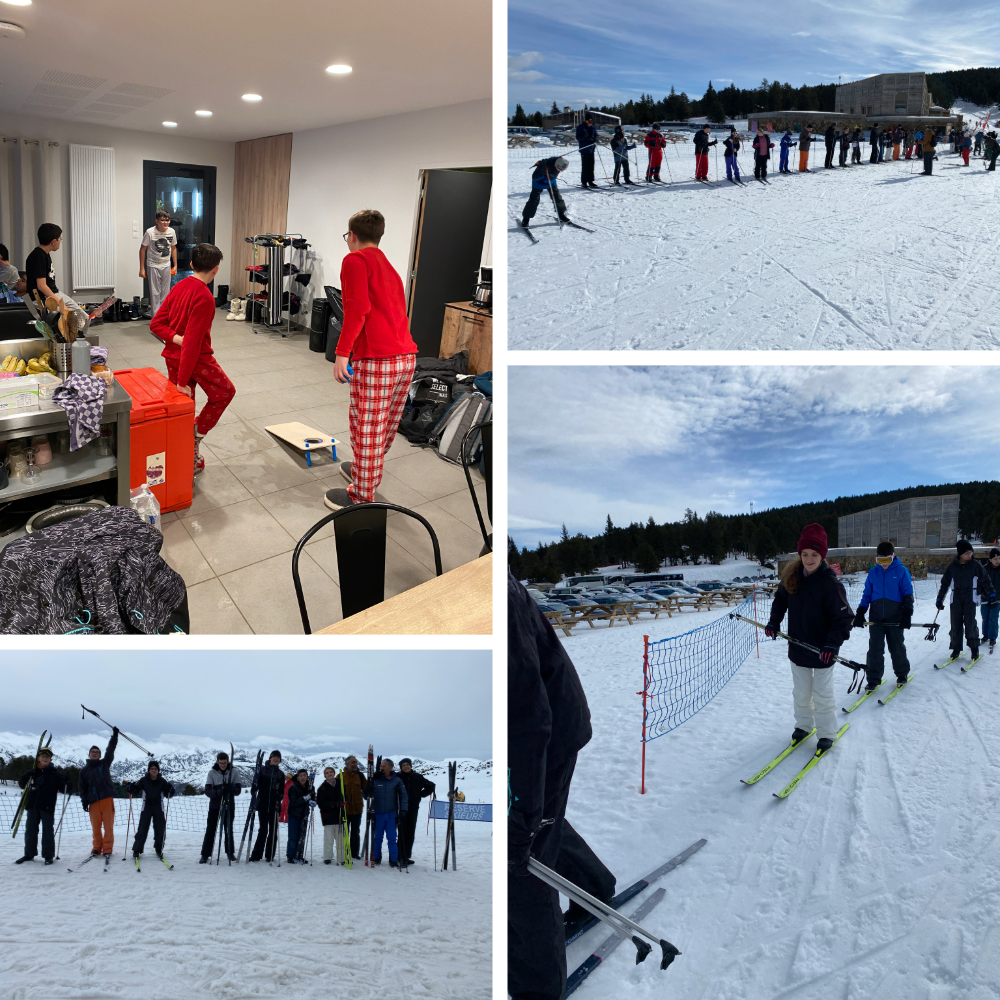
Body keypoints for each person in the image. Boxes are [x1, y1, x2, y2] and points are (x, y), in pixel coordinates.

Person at [509, 573, 616, 1000]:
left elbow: (528, 723)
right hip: (534, 727)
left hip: (545, 733)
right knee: (543, 825)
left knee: (523, 866)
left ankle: (539, 989)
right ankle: (594, 887)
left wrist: (523, 816)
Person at [324, 209, 421, 511]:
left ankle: (361, 496)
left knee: (366, 428)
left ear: (352, 236)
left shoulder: (354, 260)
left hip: (377, 359)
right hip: (405, 357)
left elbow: (357, 309)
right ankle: (367, 473)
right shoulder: (387, 265)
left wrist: (342, 353)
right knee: (384, 425)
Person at [764, 524, 854, 754]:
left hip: (823, 651)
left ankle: (826, 733)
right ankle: (804, 726)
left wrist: (832, 643)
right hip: (798, 648)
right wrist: (774, 622)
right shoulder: (792, 576)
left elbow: (843, 619)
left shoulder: (830, 583)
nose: (809, 558)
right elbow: (779, 601)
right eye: (805, 554)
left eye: (814, 554)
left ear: (822, 555)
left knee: (822, 695)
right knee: (801, 693)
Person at [150, 243, 234, 479]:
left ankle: (186, 452)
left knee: (185, 409)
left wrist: (174, 338)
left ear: (191, 265)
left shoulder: (179, 286)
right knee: (225, 392)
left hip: (175, 359)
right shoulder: (205, 298)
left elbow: (156, 325)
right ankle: (196, 436)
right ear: (216, 270)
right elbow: (192, 344)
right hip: (195, 360)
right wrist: (183, 380)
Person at [853, 542, 914, 691]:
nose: (884, 564)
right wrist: (861, 612)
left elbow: (907, 593)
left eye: (887, 560)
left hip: (895, 616)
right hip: (876, 616)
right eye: (881, 561)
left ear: (893, 556)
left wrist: (907, 613)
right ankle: (873, 679)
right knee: (875, 648)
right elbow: (867, 594)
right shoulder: (873, 573)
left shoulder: (901, 571)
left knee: (896, 646)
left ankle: (901, 674)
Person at [24, 223, 90, 334]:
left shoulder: (44, 254)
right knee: (76, 321)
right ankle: (72, 346)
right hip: (43, 298)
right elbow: (41, 285)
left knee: (84, 318)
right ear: (53, 241)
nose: (60, 241)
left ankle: (77, 344)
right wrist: (59, 303)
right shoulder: (38, 256)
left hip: (54, 293)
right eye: (60, 239)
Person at [936, 540, 996, 660]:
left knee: (970, 624)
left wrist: (992, 594)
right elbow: (944, 584)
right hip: (956, 598)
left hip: (970, 597)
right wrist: (939, 599)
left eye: (971, 552)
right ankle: (956, 648)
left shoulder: (975, 565)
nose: (970, 555)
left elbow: (986, 580)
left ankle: (974, 649)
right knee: (956, 625)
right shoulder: (952, 567)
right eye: (967, 553)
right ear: (960, 554)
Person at [16, 747, 67, 865]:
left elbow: (64, 788)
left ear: (50, 759)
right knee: (30, 830)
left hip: (47, 807)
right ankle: (29, 854)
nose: (45, 758)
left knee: (48, 831)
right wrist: (27, 774)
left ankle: (48, 856)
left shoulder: (55, 774)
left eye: (47, 757)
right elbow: (22, 785)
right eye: (43, 756)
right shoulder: (33, 772)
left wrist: (67, 782)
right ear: (38, 758)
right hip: (32, 806)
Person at [79, 728, 119, 858]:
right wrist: (84, 801)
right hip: (93, 802)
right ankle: (97, 847)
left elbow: (110, 750)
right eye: (92, 752)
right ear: (89, 754)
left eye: (97, 752)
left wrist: (114, 737)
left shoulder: (104, 764)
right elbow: (82, 788)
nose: (95, 754)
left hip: (107, 800)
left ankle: (107, 848)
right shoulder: (84, 771)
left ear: (100, 755)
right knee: (96, 828)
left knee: (108, 827)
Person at [200, 751, 241, 863]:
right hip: (215, 806)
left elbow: (238, 791)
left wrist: (231, 788)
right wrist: (219, 792)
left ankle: (230, 853)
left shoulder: (234, 772)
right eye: (221, 763)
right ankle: (205, 854)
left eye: (225, 762)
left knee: (228, 829)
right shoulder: (212, 773)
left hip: (229, 806)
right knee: (211, 830)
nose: (223, 765)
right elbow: (208, 792)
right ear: (217, 761)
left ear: (228, 761)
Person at [129, 760, 174, 860]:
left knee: (160, 828)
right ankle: (137, 849)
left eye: (155, 769)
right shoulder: (143, 780)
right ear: (149, 770)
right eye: (152, 769)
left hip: (159, 805)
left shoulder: (162, 781)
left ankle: (159, 848)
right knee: (142, 828)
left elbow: (168, 794)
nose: (154, 770)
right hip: (147, 805)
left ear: (158, 770)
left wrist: (171, 790)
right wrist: (131, 788)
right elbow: (135, 790)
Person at [367, 758, 407, 867]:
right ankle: (376, 857)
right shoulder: (375, 780)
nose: (382, 768)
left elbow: (403, 796)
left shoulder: (397, 780)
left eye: (384, 766)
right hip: (378, 813)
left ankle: (393, 859)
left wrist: (403, 810)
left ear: (390, 767)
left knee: (392, 838)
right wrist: (368, 786)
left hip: (391, 814)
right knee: (377, 837)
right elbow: (366, 796)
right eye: (381, 766)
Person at [396, 757, 435, 865]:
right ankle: (399, 856)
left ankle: (406, 856)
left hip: (413, 809)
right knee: (402, 832)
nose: (406, 767)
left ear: (411, 766)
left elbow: (431, 785)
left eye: (407, 764)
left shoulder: (418, 777)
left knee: (410, 833)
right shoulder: (398, 777)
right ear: (401, 768)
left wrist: (422, 794)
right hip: (400, 809)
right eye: (403, 765)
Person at [140, 209, 178, 318]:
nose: (166, 223)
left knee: (165, 292)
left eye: (168, 220)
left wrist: (175, 265)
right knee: (155, 292)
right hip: (153, 265)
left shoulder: (171, 232)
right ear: (157, 221)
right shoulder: (150, 232)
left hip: (166, 264)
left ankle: (164, 316)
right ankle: (155, 318)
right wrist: (142, 268)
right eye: (163, 220)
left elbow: (173, 248)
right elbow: (142, 249)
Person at [250, 751, 285, 862]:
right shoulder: (262, 771)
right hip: (263, 805)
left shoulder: (280, 774)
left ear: (280, 760)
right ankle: (256, 855)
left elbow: (282, 791)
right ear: (270, 758)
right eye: (274, 757)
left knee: (273, 831)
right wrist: (254, 788)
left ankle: (270, 855)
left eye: (278, 757)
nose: (276, 759)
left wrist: (278, 796)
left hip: (275, 806)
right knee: (263, 830)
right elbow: (255, 785)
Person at [521, 155, 570, 227]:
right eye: (559, 169)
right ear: (556, 165)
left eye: (562, 170)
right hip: (538, 183)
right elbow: (534, 177)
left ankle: (561, 214)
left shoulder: (558, 162)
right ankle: (526, 219)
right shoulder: (543, 165)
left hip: (551, 181)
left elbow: (553, 159)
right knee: (534, 200)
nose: (561, 171)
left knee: (557, 197)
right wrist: (542, 173)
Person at [317, 766, 346, 865]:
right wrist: (334, 804)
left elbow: (345, 797)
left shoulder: (341, 785)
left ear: (334, 773)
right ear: (325, 775)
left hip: (340, 816)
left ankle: (342, 857)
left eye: (331, 772)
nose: (329, 774)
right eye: (327, 773)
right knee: (328, 839)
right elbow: (321, 804)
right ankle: (327, 857)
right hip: (328, 817)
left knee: (340, 840)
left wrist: (345, 803)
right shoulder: (322, 788)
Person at [341, 754, 368, 859]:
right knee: (344, 832)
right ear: (347, 764)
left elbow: (366, 789)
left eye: (356, 762)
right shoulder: (340, 776)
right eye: (353, 762)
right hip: (345, 809)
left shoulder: (360, 776)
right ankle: (345, 852)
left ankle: (354, 853)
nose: (355, 764)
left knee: (355, 832)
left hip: (357, 809)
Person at [286, 769, 316, 864]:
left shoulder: (311, 787)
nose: (303, 777)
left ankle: (299, 854)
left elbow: (313, 796)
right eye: (301, 775)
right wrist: (305, 798)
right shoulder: (293, 788)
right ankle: (291, 856)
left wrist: (313, 801)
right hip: (294, 815)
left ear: (307, 777)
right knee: (293, 837)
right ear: (298, 778)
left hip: (304, 815)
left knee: (302, 836)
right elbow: (293, 802)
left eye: (304, 775)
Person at [981, 549, 1000, 654]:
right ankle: (985, 635)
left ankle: (992, 637)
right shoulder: (984, 569)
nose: (997, 561)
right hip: (985, 598)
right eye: (995, 559)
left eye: (999, 559)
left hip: (997, 599)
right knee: (985, 617)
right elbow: (980, 583)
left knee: (993, 618)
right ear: (990, 559)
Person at [576, 113, 598, 189]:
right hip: (584, 149)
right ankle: (584, 182)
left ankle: (591, 181)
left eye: (591, 122)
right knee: (585, 167)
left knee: (591, 166)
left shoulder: (593, 127)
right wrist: (585, 137)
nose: (589, 123)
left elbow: (596, 135)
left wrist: (596, 139)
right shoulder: (580, 127)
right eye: (588, 122)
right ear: (585, 121)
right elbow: (578, 137)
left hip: (591, 149)